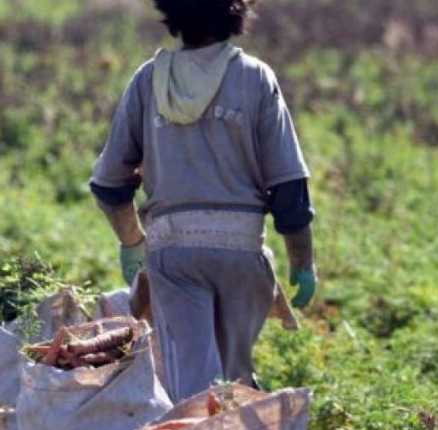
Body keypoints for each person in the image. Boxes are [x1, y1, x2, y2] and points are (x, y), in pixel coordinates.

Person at [89, 0, 317, 402]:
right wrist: (302, 262)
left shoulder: (147, 82)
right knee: (231, 382)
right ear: (236, 14)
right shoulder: (255, 78)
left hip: (175, 258)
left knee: (193, 389)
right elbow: (289, 188)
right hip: (243, 256)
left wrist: (132, 243)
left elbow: (110, 183)